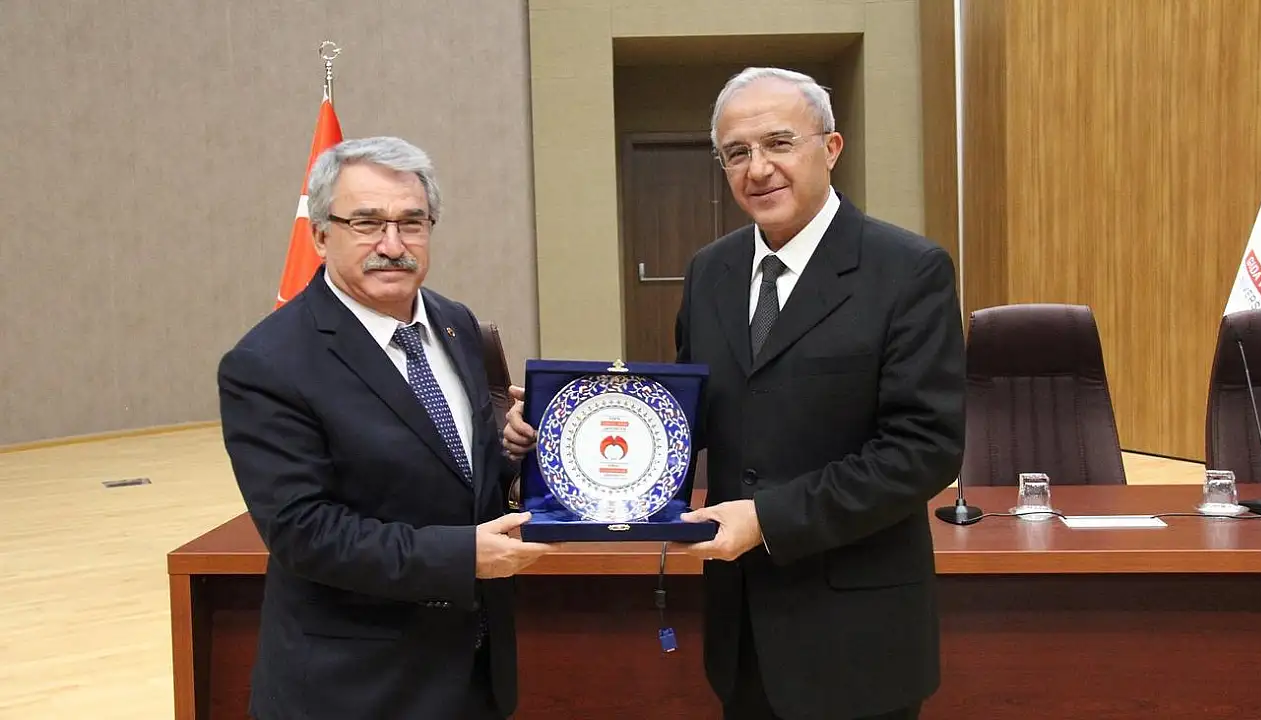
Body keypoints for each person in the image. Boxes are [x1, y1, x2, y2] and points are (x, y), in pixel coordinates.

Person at [503, 67, 964, 720]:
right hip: (741, 631)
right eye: (737, 153)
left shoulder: (908, 270)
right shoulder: (710, 270)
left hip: (857, 636)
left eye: (779, 143)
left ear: (831, 148)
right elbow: (691, 417)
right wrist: (563, 428)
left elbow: (923, 450)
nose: (758, 169)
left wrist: (768, 519)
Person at [218, 136, 551, 720]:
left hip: (474, 673)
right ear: (321, 235)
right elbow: (303, 532)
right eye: (367, 223)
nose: (392, 245)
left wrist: (513, 449)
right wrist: (459, 556)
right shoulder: (268, 363)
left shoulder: (455, 324)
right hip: (354, 688)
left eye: (411, 223)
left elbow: (458, 472)